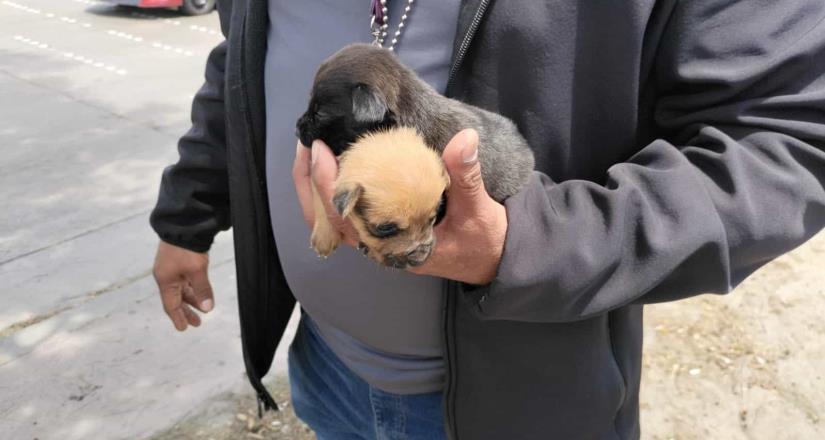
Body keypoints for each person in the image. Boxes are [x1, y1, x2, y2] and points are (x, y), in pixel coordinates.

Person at [149, 0, 825, 438]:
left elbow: (784, 140)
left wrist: (525, 247)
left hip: (516, 409)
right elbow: (240, 62)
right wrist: (187, 216)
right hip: (324, 367)